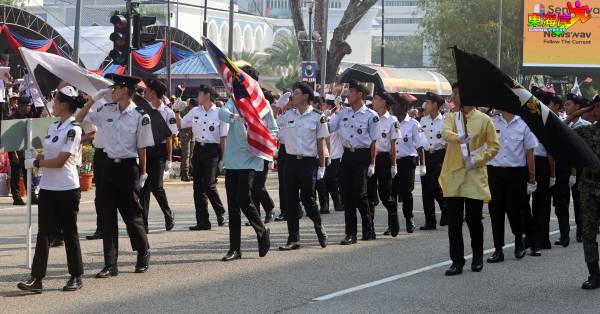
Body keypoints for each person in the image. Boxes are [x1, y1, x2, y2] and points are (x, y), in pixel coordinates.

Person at [76, 74, 153, 277]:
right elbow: (79, 118)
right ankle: (110, 264)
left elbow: (142, 147)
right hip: (108, 167)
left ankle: (143, 252)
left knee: (132, 215)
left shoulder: (140, 115)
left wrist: (143, 173)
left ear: (125, 90)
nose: (112, 92)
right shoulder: (106, 110)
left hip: (128, 169)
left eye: (115, 88)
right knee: (107, 215)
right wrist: (93, 99)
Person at [17, 86, 84, 293]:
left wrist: (37, 163)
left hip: (66, 188)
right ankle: (36, 279)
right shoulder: (54, 127)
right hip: (48, 187)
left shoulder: (74, 129)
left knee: (69, 232)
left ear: (64, 104)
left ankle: (76, 275)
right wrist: (35, 156)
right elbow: (48, 155)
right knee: (43, 233)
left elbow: (61, 161)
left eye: (55, 102)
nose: (52, 105)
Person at [440, 83, 499, 276]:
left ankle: (478, 257)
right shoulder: (451, 117)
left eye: (457, 93)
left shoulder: (484, 120)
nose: (454, 97)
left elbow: (494, 146)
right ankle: (457, 261)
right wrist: (459, 137)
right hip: (454, 174)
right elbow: (445, 133)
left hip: (474, 174)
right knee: (454, 221)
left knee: (474, 219)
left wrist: (479, 159)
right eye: (454, 93)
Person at [216, 66, 274, 261]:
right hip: (233, 159)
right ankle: (235, 248)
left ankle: (261, 231)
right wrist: (235, 117)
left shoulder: (262, 104)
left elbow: (273, 130)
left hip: (251, 158)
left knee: (244, 199)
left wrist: (265, 150)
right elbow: (222, 114)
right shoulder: (234, 101)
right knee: (233, 205)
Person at [277, 82, 328, 250]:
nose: (293, 96)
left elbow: (320, 144)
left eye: (296, 93)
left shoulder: (317, 117)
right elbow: (275, 120)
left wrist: (322, 167)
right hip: (290, 162)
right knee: (290, 201)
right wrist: (283, 105)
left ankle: (319, 226)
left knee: (308, 199)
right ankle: (293, 238)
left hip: (308, 163)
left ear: (306, 96)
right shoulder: (288, 114)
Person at [328, 80, 380, 245]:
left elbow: (373, 142)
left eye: (350, 92)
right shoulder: (343, 113)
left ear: (360, 94)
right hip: (347, 156)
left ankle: (368, 227)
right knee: (347, 195)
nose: (347, 94)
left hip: (362, 157)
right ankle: (350, 233)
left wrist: (372, 163)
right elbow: (328, 128)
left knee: (359, 194)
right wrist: (333, 109)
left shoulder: (371, 116)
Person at [486, 109, 538, 263]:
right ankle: (498, 249)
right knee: (495, 211)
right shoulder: (492, 121)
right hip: (494, 172)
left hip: (516, 173)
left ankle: (518, 242)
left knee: (515, 211)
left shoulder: (523, 124)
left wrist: (532, 177)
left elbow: (530, 152)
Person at [175, 85, 227, 230]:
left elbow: (223, 138)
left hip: (213, 150)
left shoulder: (220, 112)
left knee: (209, 184)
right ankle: (203, 221)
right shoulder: (195, 111)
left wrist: (224, 158)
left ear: (208, 95)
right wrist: (177, 111)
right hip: (198, 149)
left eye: (200, 93)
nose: (197, 96)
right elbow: (180, 125)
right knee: (197, 187)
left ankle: (220, 211)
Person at [570, 95, 600, 289]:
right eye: (594, 107)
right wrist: (581, 111)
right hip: (588, 187)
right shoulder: (587, 131)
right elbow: (562, 128)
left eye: (598, 107)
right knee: (588, 232)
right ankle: (594, 274)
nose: (595, 110)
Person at [140, 78, 177, 232]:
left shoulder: (168, 112)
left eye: (147, 91)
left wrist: (169, 159)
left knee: (156, 187)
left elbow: (170, 137)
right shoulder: (143, 110)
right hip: (146, 151)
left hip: (160, 152)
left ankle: (168, 215)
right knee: (144, 189)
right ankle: (144, 224)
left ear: (153, 94)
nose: (144, 94)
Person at [554, 93, 590, 246]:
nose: (565, 107)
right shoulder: (563, 122)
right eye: (565, 104)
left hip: (580, 170)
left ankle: (581, 231)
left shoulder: (585, 126)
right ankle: (564, 235)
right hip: (563, 168)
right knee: (561, 202)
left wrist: (575, 172)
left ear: (577, 107)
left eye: (569, 104)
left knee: (579, 201)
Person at [367, 90, 400, 237]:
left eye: (376, 99)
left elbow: (393, 145)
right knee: (368, 194)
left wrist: (394, 165)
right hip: (369, 158)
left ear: (384, 102)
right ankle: (370, 228)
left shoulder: (393, 121)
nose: (373, 101)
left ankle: (393, 219)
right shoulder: (369, 117)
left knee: (385, 194)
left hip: (383, 159)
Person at [392, 93, 427, 234]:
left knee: (406, 193)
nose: (393, 107)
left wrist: (423, 165)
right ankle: (392, 222)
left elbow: (419, 146)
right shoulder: (391, 121)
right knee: (391, 193)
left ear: (404, 107)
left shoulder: (414, 124)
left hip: (407, 161)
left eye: (396, 104)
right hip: (393, 161)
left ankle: (409, 218)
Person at [419, 92, 448, 229]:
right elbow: (420, 140)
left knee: (434, 185)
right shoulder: (423, 121)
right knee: (426, 189)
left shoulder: (445, 121)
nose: (426, 105)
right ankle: (430, 221)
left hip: (440, 155)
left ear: (435, 105)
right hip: (426, 156)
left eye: (428, 102)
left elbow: (448, 142)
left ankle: (446, 208)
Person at [250, 87, 277, 223]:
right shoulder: (248, 107)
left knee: (258, 185)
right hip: (250, 152)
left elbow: (273, 130)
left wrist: (270, 152)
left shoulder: (266, 109)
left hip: (263, 152)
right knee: (251, 186)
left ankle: (269, 208)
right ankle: (255, 215)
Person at [8, 96, 39, 206]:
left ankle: (32, 196)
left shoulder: (28, 118)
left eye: (30, 105)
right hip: (16, 151)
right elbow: (10, 138)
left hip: (26, 151)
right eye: (27, 105)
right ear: (21, 106)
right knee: (16, 175)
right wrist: (14, 153)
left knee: (28, 174)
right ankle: (16, 197)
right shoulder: (12, 118)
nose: (29, 107)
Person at [85, 99, 108, 241]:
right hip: (99, 153)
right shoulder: (95, 102)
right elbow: (81, 117)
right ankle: (101, 228)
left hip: (112, 153)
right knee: (99, 194)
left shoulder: (108, 104)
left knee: (120, 196)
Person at [320, 94, 343, 213]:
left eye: (323, 104)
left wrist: (339, 107)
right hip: (323, 153)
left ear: (329, 105)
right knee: (322, 182)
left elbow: (329, 128)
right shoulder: (322, 116)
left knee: (332, 181)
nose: (321, 106)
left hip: (334, 154)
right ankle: (324, 206)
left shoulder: (336, 117)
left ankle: (337, 202)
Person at [179, 98, 196, 181]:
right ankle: (184, 174)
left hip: (193, 134)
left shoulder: (195, 111)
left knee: (191, 155)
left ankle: (188, 172)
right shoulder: (184, 111)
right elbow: (181, 122)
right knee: (186, 154)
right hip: (185, 134)